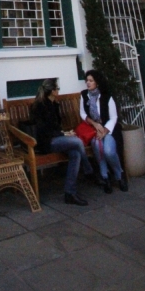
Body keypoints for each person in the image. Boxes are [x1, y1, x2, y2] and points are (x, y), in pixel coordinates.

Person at [29, 78, 94, 206]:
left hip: (56, 138)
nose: (58, 91)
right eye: (57, 89)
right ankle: (89, 171)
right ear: (52, 91)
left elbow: (56, 127)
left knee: (75, 153)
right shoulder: (39, 106)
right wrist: (63, 134)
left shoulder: (53, 104)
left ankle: (69, 193)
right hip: (46, 142)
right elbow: (43, 130)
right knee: (78, 142)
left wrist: (64, 134)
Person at [80, 70, 128, 194]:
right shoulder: (84, 95)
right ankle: (105, 176)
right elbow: (83, 113)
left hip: (108, 129)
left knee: (108, 151)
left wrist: (104, 130)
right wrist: (95, 125)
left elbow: (113, 117)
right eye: (87, 81)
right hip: (93, 129)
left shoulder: (107, 96)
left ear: (97, 82)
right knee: (97, 147)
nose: (88, 83)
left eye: (91, 81)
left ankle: (119, 174)